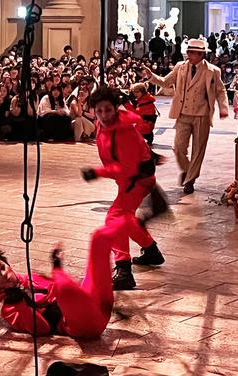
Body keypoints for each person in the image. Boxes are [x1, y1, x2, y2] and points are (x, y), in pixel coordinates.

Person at [81, 88, 165, 291]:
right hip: (130, 181)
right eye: (99, 111)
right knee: (125, 219)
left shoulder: (124, 131)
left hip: (137, 181)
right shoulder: (104, 124)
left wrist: (98, 172)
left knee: (115, 219)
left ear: (115, 109)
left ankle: (123, 270)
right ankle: (151, 251)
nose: (103, 115)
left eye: (107, 110)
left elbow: (127, 169)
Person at [0, 230, 117, 339]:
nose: (3, 274)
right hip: (81, 326)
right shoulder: (9, 310)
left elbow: (62, 288)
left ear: (8, 265)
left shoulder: (31, 277)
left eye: (3, 268)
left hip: (95, 309)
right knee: (65, 288)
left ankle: (132, 222)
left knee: (99, 239)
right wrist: (19, 304)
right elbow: (42, 329)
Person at [142, 39, 230, 195]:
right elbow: (165, 82)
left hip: (202, 115)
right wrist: (151, 76)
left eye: (192, 52)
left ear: (201, 54)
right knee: (178, 147)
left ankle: (190, 180)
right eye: (188, 52)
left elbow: (220, 90)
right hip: (182, 113)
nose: (188, 55)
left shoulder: (213, 71)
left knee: (198, 150)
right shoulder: (180, 67)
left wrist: (223, 108)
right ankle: (187, 170)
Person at [124, 82, 158, 146]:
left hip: (144, 128)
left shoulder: (145, 102)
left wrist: (126, 104)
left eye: (137, 92)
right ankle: (149, 137)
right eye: (134, 92)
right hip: (148, 126)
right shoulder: (146, 99)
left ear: (143, 92)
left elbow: (135, 114)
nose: (135, 94)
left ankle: (145, 136)